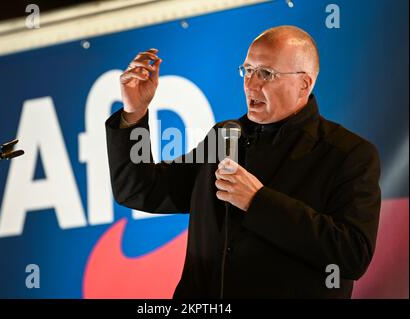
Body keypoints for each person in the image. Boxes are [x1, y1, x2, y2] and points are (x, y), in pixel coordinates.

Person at [105, 25, 381, 298]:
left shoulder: (348, 153)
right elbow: (142, 190)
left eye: (266, 74)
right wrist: (134, 113)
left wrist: (258, 201)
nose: (251, 84)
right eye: (247, 70)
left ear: (304, 84)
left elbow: (352, 255)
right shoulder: (225, 137)